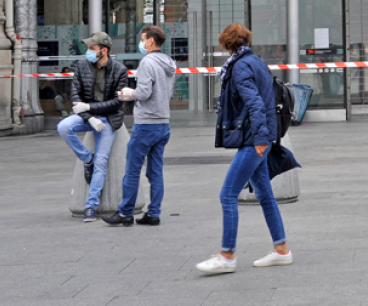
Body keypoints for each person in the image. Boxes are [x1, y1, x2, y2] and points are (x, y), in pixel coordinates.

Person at [196, 23, 291, 274]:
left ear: (227, 45)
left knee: (227, 195)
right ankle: (281, 250)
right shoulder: (256, 61)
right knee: (265, 195)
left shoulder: (239, 67)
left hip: (254, 140)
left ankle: (227, 255)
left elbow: (255, 103)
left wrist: (260, 139)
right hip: (262, 137)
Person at [103, 26, 175, 227]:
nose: (141, 43)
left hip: (146, 123)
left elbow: (143, 93)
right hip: (163, 122)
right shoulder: (169, 62)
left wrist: (128, 93)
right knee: (156, 171)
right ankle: (154, 213)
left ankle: (125, 212)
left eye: (143, 39)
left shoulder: (147, 62)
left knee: (132, 169)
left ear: (151, 41)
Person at [57, 32, 128, 222]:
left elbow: (117, 103)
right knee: (64, 127)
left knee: (102, 161)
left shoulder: (120, 70)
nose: (88, 51)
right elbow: (75, 96)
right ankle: (87, 158)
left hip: (108, 120)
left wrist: (89, 108)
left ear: (103, 51)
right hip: (87, 117)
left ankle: (91, 204)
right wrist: (89, 117)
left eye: (92, 48)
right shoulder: (81, 67)